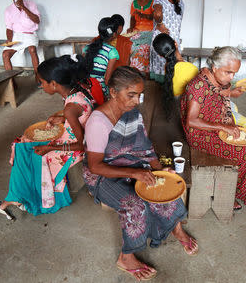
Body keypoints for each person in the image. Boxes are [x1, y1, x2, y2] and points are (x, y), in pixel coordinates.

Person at [83, 66, 198, 281]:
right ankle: (126, 257)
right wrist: (135, 172)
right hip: (102, 175)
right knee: (135, 205)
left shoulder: (131, 112)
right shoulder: (98, 122)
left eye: (139, 95)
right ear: (113, 92)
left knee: (162, 185)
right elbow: (95, 166)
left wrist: (159, 169)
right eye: (131, 95)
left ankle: (176, 228)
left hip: (130, 164)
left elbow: (144, 147)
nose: (137, 101)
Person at [0, 55, 94, 219]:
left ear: (54, 84)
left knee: (26, 150)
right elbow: (81, 115)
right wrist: (63, 119)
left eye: (42, 82)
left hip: (73, 150)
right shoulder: (77, 92)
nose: (41, 86)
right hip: (72, 137)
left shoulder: (70, 107)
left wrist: (49, 147)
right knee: (22, 142)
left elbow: (80, 146)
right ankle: (16, 198)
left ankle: (16, 200)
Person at [180, 47, 246, 209]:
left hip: (215, 125)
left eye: (234, 73)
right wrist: (223, 126)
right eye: (228, 72)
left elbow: (220, 93)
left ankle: (231, 190)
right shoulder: (198, 86)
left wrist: (233, 92)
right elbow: (191, 121)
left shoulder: (216, 80)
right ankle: (230, 194)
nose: (231, 77)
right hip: (199, 134)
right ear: (215, 68)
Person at [152, 33, 198, 119]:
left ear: (160, 55)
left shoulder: (168, 67)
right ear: (176, 43)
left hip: (178, 109)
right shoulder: (191, 68)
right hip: (191, 112)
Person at [149, 0, 184, 83]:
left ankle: (160, 90)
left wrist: (159, 24)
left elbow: (158, 13)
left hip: (162, 42)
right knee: (173, 66)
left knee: (161, 67)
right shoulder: (180, 1)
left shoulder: (160, 0)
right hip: (175, 41)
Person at [3, 0, 41, 84]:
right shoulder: (8, 10)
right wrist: (9, 40)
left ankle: (38, 78)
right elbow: (9, 28)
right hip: (17, 36)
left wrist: (24, 7)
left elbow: (37, 20)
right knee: (5, 54)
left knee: (32, 50)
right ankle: (11, 84)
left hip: (30, 34)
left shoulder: (31, 4)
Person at [83, 17, 119, 99]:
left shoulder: (87, 47)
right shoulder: (112, 51)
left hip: (85, 89)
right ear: (114, 34)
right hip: (99, 92)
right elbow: (107, 80)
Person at [126, 0, 155, 74]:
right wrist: (131, 27)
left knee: (144, 48)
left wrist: (143, 15)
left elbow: (154, 17)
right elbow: (132, 18)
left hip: (150, 31)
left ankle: (144, 72)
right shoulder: (134, 3)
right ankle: (133, 70)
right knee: (129, 45)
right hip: (137, 31)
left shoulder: (153, 2)